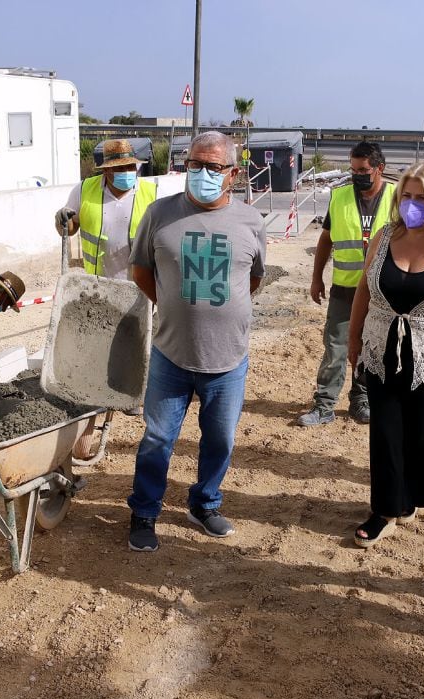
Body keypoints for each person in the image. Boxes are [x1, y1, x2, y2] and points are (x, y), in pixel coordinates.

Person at [126, 131, 267, 552]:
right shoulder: (159, 214)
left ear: (233, 174)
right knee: (157, 439)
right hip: (171, 354)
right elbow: (141, 271)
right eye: (194, 165)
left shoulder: (250, 221)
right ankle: (144, 511)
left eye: (213, 167)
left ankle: (204, 503)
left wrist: (220, 311)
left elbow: (253, 277)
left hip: (228, 359)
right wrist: (171, 304)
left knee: (220, 439)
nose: (202, 174)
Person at [347, 162, 424, 547]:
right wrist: (353, 341)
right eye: (406, 196)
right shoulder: (384, 237)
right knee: (386, 433)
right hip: (381, 349)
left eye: (421, 198)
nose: (412, 204)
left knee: (423, 431)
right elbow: (363, 292)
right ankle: (385, 509)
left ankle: (412, 498)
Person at [297, 141, 396, 427]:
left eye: (363, 170)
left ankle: (361, 399)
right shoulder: (339, 197)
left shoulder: (397, 197)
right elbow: (326, 238)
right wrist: (317, 277)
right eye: (353, 169)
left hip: (382, 291)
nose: (357, 175)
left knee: (370, 347)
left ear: (380, 169)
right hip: (344, 289)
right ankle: (324, 405)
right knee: (335, 347)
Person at [54, 139, 158, 279]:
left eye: (131, 166)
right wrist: (61, 221)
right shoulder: (83, 190)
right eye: (120, 168)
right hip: (98, 284)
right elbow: (68, 230)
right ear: (106, 169)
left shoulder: (153, 193)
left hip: (140, 285)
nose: (127, 172)